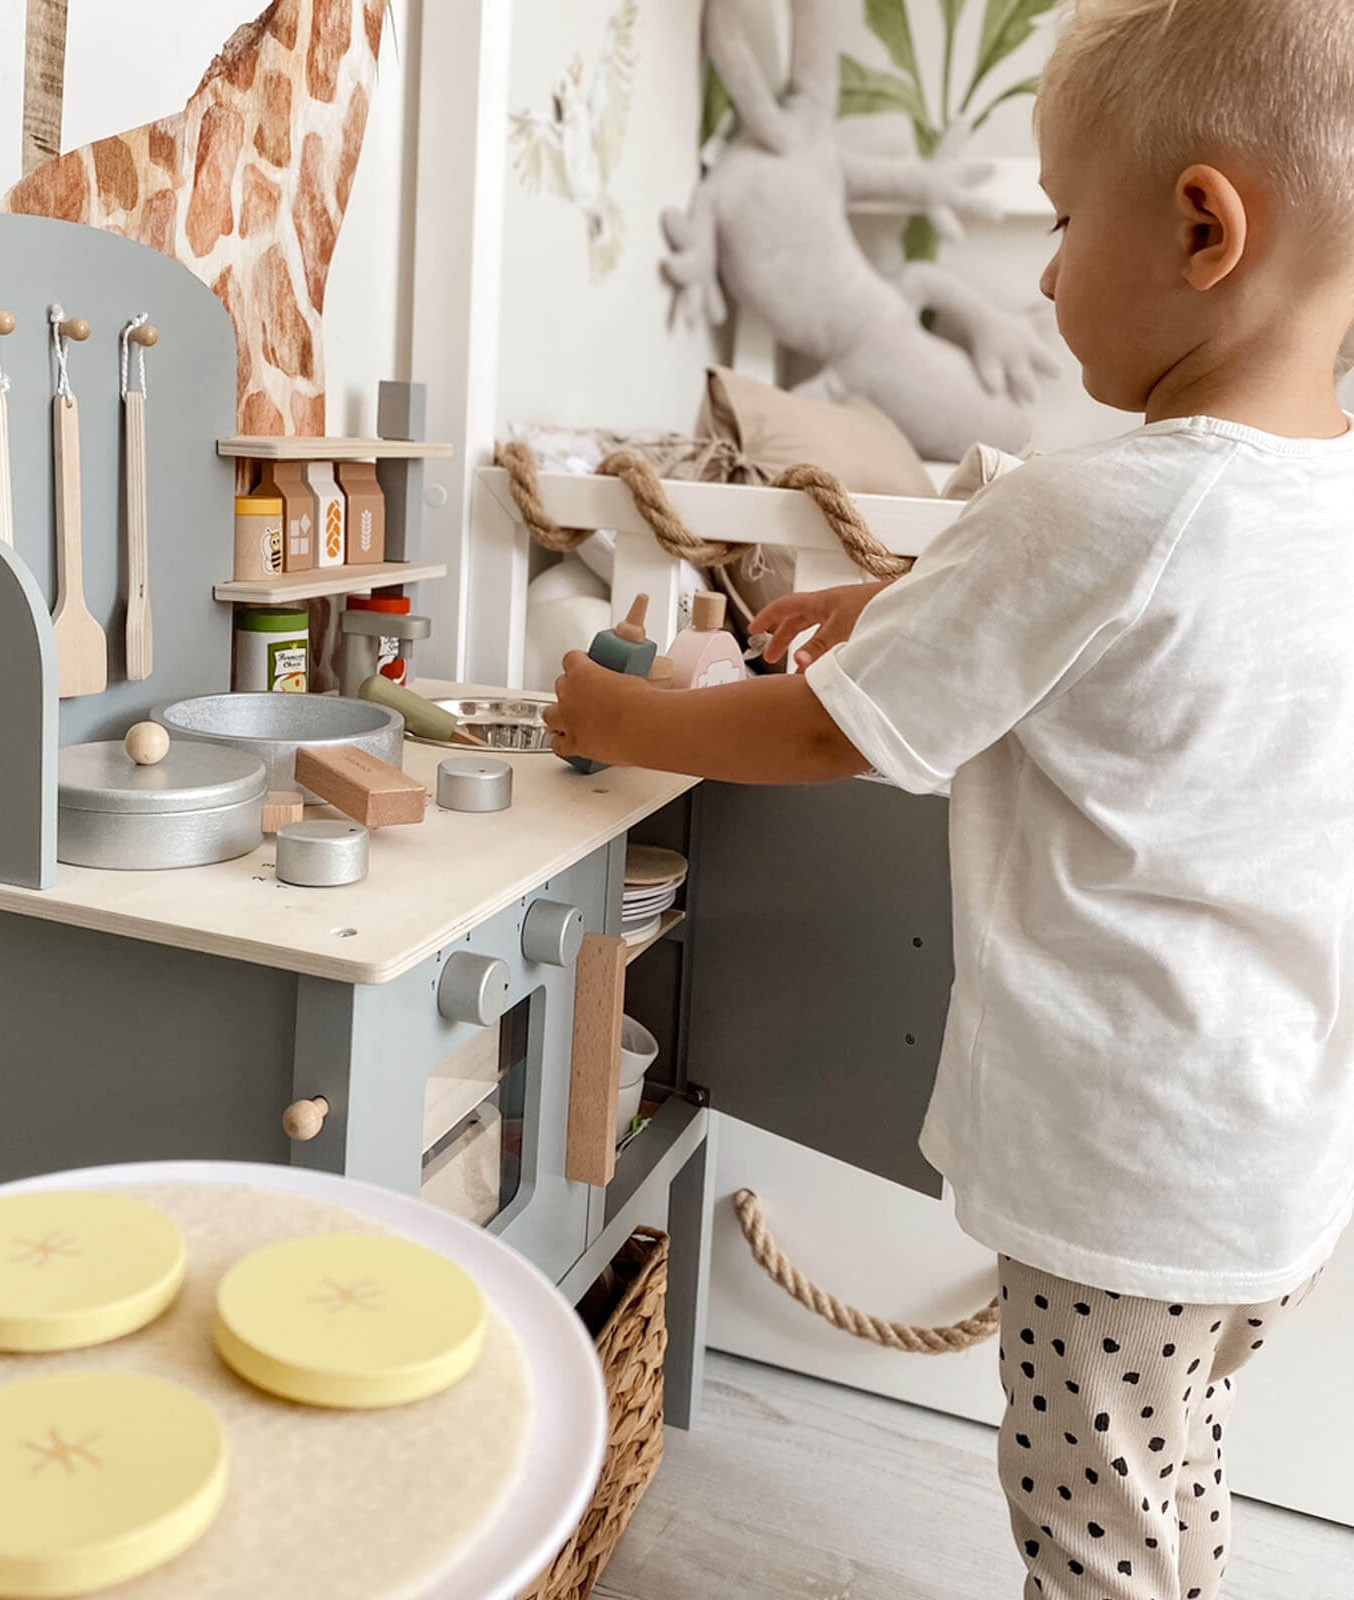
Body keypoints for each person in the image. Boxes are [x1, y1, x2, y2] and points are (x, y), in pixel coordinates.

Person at [544, 2, 1354, 1593]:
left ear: (1202, 227)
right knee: (1170, 1469)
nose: (1044, 275)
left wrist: (619, 706)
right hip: (1275, 1168)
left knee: (1083, 1535)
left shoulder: (1101, 504)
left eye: (1061, 221)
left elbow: (836, 738)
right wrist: (883, 609)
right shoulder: (1316, 508)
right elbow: (1123, 662)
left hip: (1123, 1170)